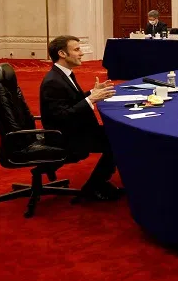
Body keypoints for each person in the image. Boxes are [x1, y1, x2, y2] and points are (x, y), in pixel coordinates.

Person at [39, 35, 122, 201]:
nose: (81, 53)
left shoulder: (63, 74)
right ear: (62, 53)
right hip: (66, 136)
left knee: (118, 134)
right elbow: (62, 116)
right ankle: (93, 187)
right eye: (76, 50)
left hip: (76, 129)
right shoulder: (53, 81)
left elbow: (71, 102)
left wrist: (92, 92)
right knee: (118, 140)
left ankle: (98, 183)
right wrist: (91, 99)